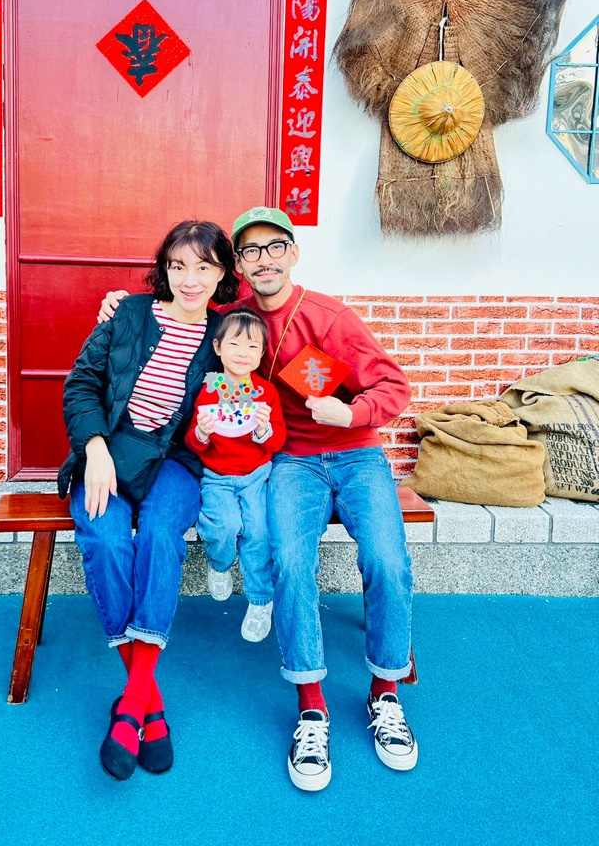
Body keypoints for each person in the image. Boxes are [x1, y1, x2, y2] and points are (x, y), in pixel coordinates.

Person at [98, 206, 417, 791]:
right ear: (238, 267)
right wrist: (121, 306)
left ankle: (386, 691)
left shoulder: (330, 317)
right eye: (251, 251)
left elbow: (394, 386)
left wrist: (351, 412)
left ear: (293, 253)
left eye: (275, 247)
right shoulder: (233, 321)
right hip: (288, 461)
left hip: (355, 452)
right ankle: (312, 707)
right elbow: (177, 314)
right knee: (289, 559)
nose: (264, 260)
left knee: (388, 560)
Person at [58, 219, 240, 782]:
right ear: (164, 267)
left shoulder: (224, 335)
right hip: (109, 452)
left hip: (176, 461)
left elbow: (244, 394)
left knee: (162, 534)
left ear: (222, 273)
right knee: (106, 538)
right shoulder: (128, 314)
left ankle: (133, 700)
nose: (190, 280)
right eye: (178, 265)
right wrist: (94, 447)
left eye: (204, 267)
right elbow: (80, 384)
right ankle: (148, 702)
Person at [184, 308, 286, 643]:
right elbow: (192, 442)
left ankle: (260, 600)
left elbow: (277, 442)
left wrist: (264, 428)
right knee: (224, 526)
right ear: (217, 347)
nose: (243, 353)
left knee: (258, 532)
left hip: (257, 475)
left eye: (252, 346)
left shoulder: (265, 393)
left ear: (262, 353)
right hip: (216, 475)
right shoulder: (208, 390)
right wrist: (201, 431)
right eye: (235, 344)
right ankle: (219, 563)